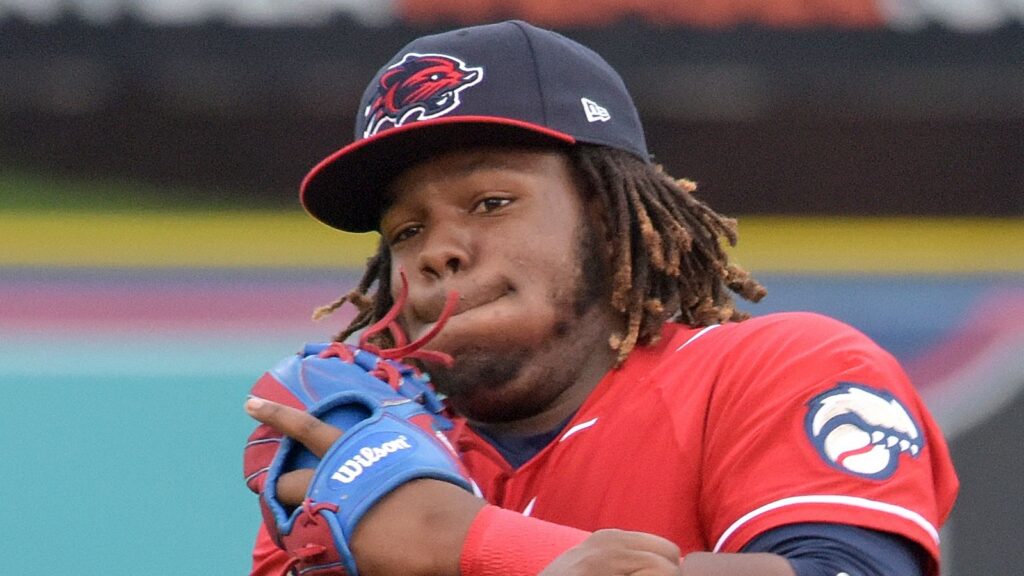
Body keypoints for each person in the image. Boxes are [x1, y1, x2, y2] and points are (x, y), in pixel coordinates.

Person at [243, 20, 958, 576]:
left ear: (610, 218)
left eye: (491, 201)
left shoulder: (771, 371)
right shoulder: (358, 462)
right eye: (405, 230)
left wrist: (472, 545)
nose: (436, 251)